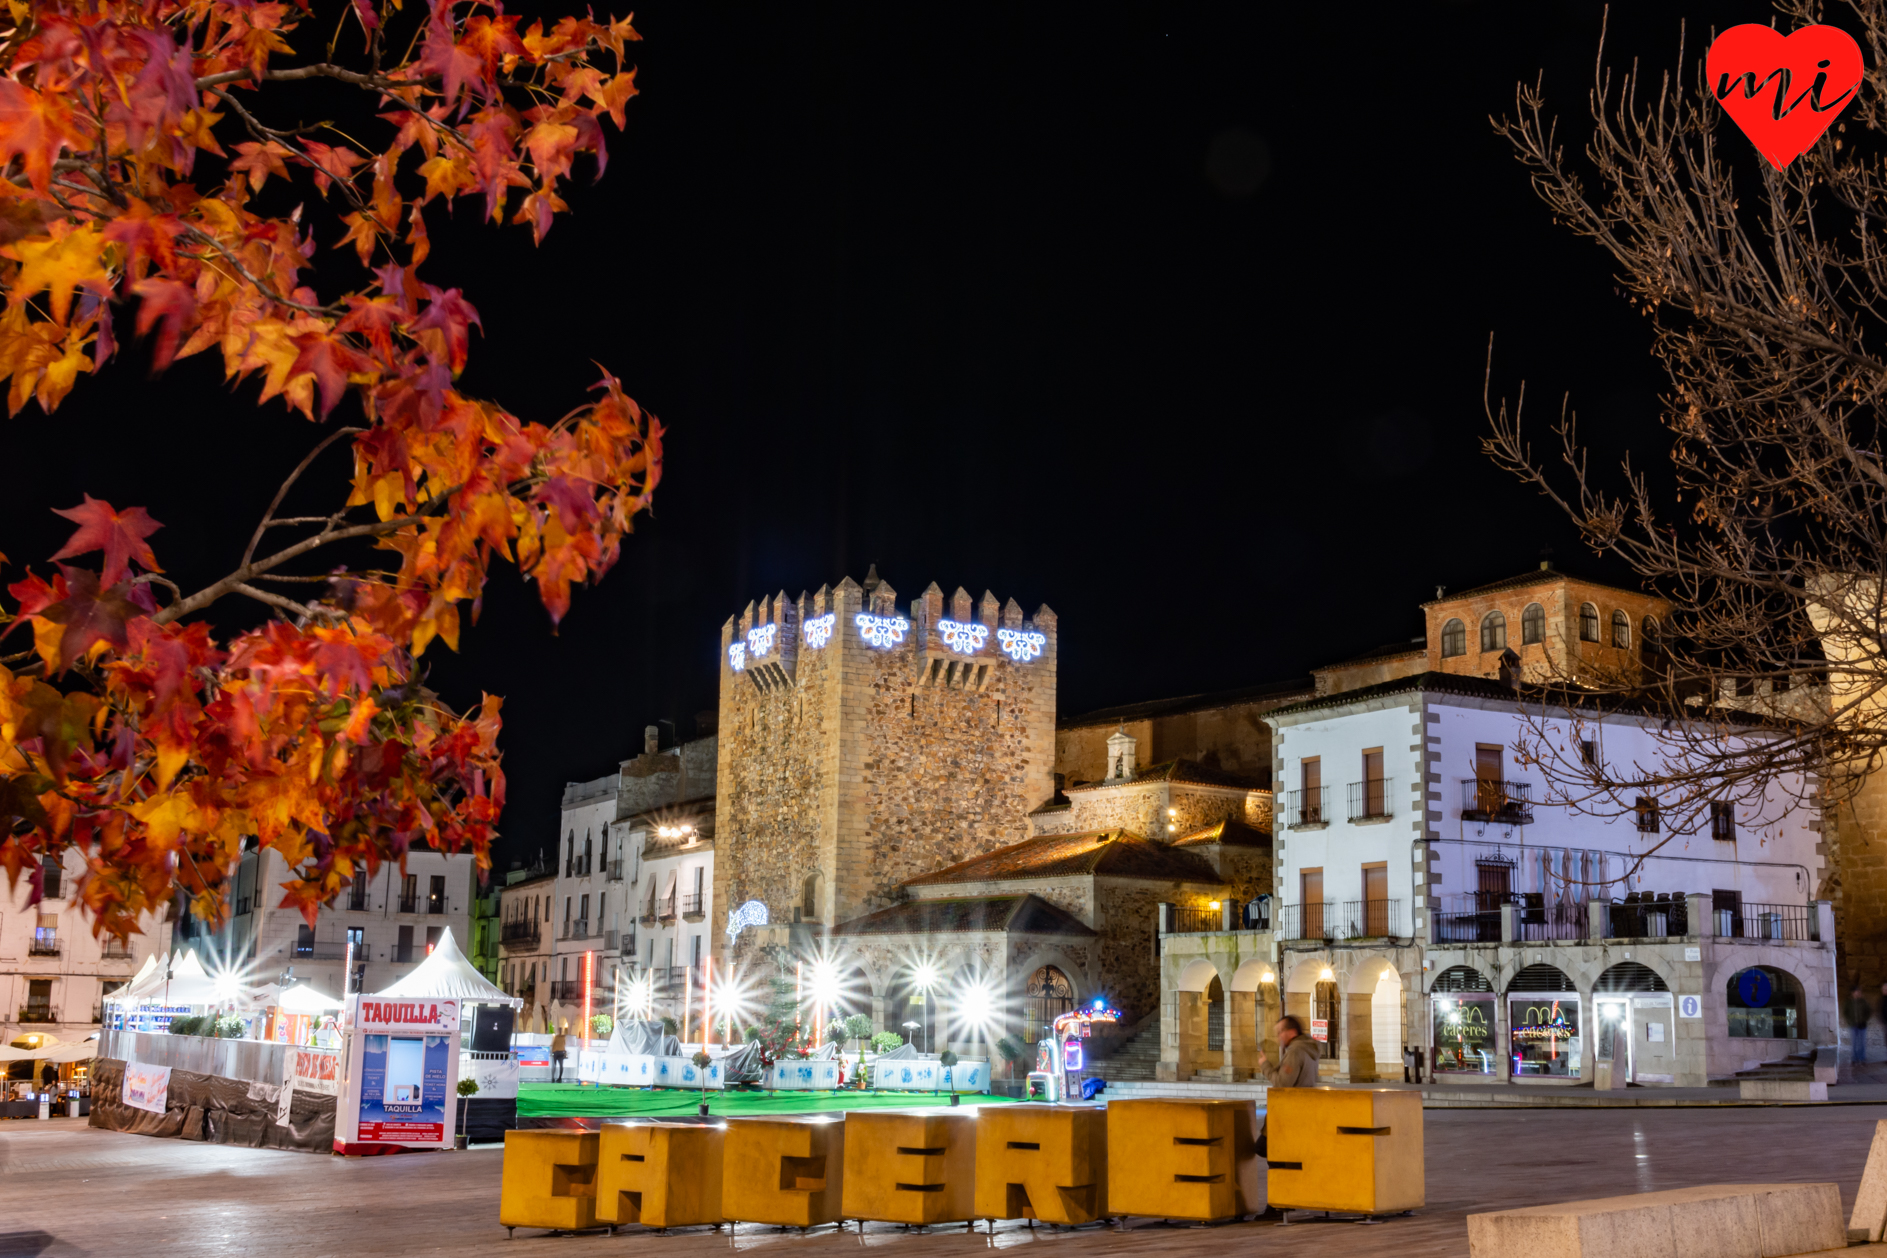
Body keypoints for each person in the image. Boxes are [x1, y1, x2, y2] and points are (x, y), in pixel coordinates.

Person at [1850, 984, 1874, 1064]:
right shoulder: (1850, 1002)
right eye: (1855, 992)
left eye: (1858, 992)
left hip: (1862, 1025)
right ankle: (1855, 1058)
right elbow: (1846, 1012)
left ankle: (1862, 1057)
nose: (1857, 993)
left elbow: (1869, 1011)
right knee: (1854, 1042)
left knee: (1862, 1042)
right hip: (1853, 1025)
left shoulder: (1864, 1002)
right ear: (1853, 993)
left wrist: (1864, 1019)